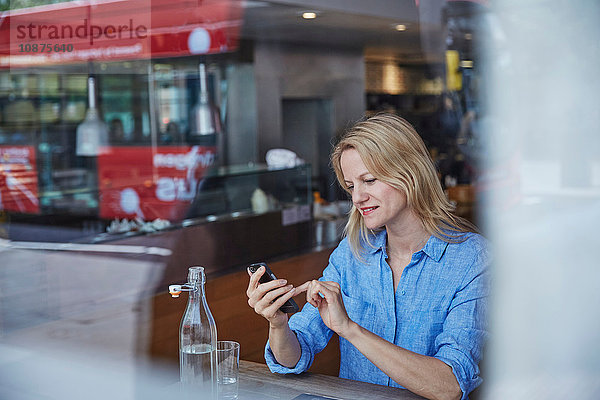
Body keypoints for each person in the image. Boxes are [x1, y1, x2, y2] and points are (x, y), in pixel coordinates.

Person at [246, 113, 489, 400]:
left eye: (369, 180)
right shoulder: (352, 253)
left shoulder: (471, 259)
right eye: (350, 186)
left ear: (410, 173)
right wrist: (279, 324)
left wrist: (350, 329)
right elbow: (293, 357)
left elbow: (450, 385)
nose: (357, 197)